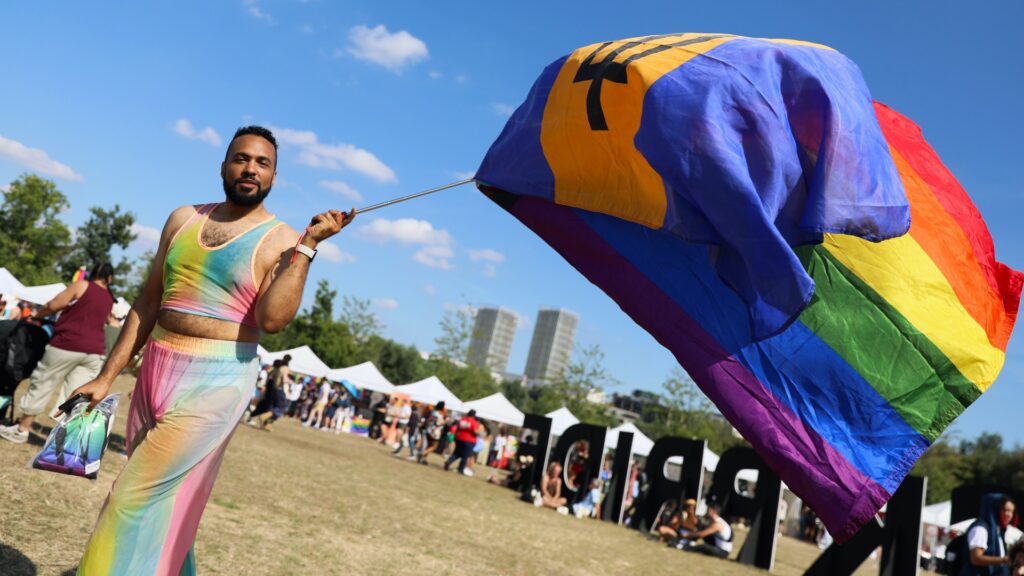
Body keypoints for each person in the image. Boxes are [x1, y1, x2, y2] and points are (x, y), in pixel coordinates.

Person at [63, 126, 356, 574]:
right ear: (224, 166)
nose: (250, 169)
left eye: (262, 163)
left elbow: (273, 321)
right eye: (241, 159)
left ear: (274, 177)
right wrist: (106, 377)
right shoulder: (184, 219)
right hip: (157, 363)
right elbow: (147, 300)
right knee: (169, 499)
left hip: (219, 377)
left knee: (131, 497)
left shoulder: (281, 239)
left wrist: (308, 247)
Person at [0, 263, 116, 444]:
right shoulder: (109, 297)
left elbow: (54, 304)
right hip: (94, 351)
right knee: (77, 395)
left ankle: (22, 429)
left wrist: (38, 315)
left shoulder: (82, 285)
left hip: (67, 343)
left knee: (43, 382)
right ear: (110, 278)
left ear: (93, 274)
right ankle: (62, 439)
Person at [961, 494, 1017, 575]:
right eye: (1005, 510)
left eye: (1012, 511)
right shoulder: (980, 528)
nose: (1009, 515)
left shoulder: (998, 532)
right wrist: (1005, 560)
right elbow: (976, 558)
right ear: (994, 508)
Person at [444, 409, 482, 475]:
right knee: (465, 455)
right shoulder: (473, 422)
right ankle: (460, 469)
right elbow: (475, 431)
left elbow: (457, 428)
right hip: (469, 441)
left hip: (459, 438)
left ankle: (449, 461)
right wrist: (479, 433)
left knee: (457, 453)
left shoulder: (462, 419)